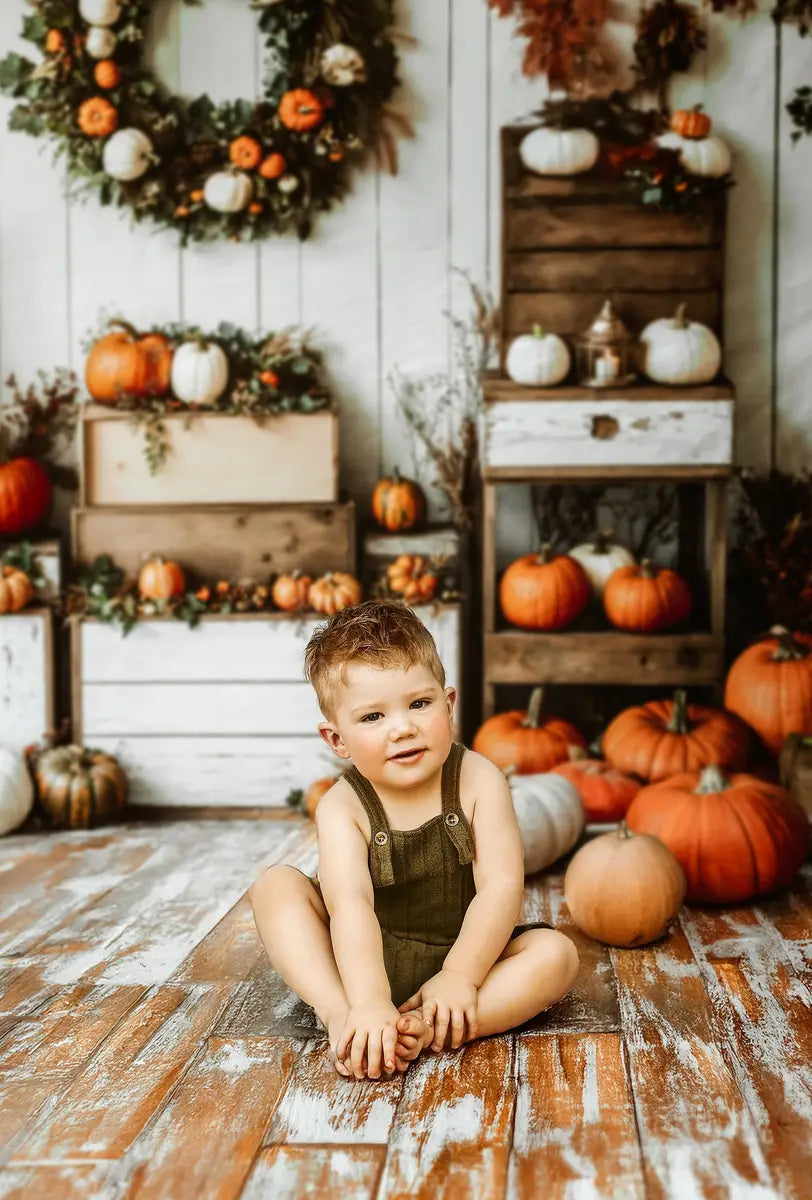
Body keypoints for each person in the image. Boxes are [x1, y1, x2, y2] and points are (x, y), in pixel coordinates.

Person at [250, 599, 580, 1080]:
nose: (402, 728)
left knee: (557, 957)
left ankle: (427, 1027)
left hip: (469, 951)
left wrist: (459, 976)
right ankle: (345, 1020)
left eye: (419, 704)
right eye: (372, 718)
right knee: (275, 887)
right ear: (336, 739)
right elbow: (350, 906)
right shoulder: (342, 806)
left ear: (447, 704)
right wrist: (365, 1001)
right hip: (362, 960)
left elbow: (501, 888)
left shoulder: (478, 779)